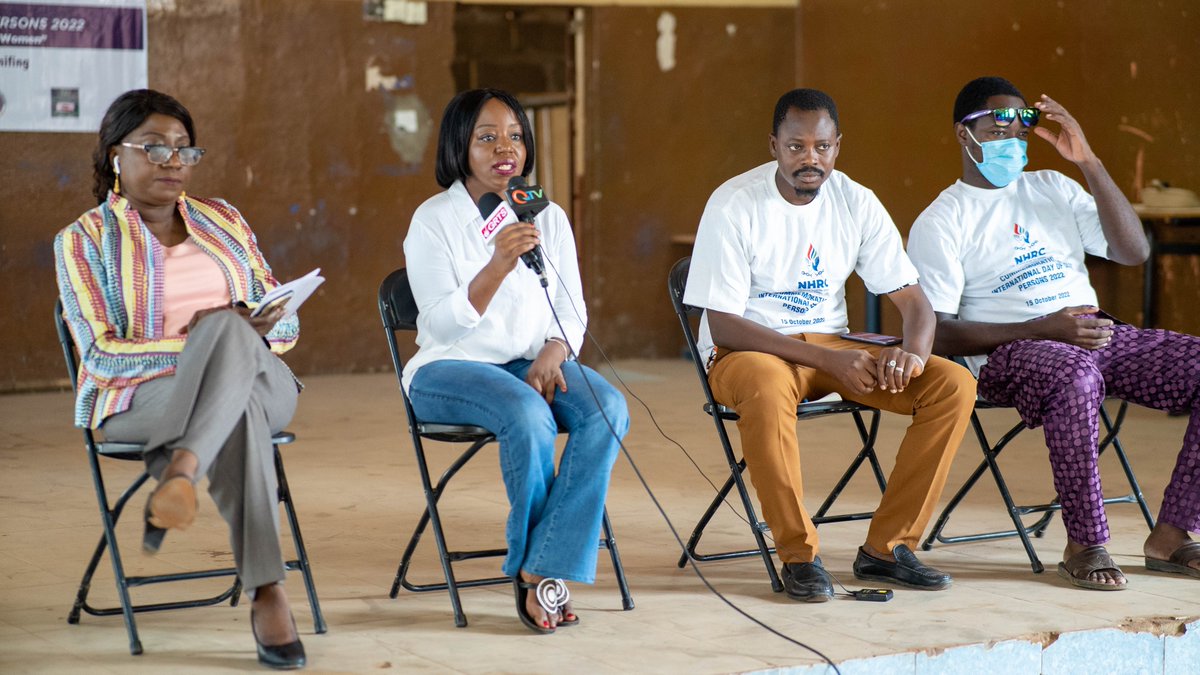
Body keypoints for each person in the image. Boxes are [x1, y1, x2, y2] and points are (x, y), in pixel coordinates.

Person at [908, 75, 1200, 590]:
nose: (1014, 139)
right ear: (964, 134)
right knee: (1075, 376)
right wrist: (1043, 327)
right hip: (1012, 355)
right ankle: (1084, 542)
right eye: (999, 127)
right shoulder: (943, 219)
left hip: (1092, 332)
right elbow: (938, 333)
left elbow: (1134, 252)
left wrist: (1088, 161)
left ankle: (1174, 536)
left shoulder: (1052, 188)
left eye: (1023, 128)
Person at [684, 88, 976, 602]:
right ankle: (799, 556)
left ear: (837, 146)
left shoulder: (854, 200)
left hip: (835, 346)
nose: (810, 159)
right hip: (749, 352)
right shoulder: (734, 203)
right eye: (796, 147)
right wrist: (828, 360)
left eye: (822, 147)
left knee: (951, 383)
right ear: (773, 145)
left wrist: (913, 354)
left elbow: (915, 303)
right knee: (768, 385)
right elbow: (724, 325)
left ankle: (887, 550)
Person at [54, 90, 308, 668]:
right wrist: (201, 345)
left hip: (264, 380)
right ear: (115, 156)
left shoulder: (224, 220)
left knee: (230, 335)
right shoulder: (83, 240)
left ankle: (182, 470)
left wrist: (251, 325)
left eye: (183, 149)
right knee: (228, 374)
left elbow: (284, 324)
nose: (174, 160)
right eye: (155, 147)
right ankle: (269, 591)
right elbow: (98, 357)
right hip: (139, 395)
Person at [402, 88, 629, 633]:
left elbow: (571, 307)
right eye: (487, 137)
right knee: (528, 414)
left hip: (530, 363)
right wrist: (498, 265)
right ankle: (544, 578)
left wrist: (554, 352)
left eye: (515, 136)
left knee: (608, 407)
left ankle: (541, 566)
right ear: (460, 145)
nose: (506, 148)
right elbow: (436, 325)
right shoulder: (432, 220)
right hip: (449, 368)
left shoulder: (544, 216)